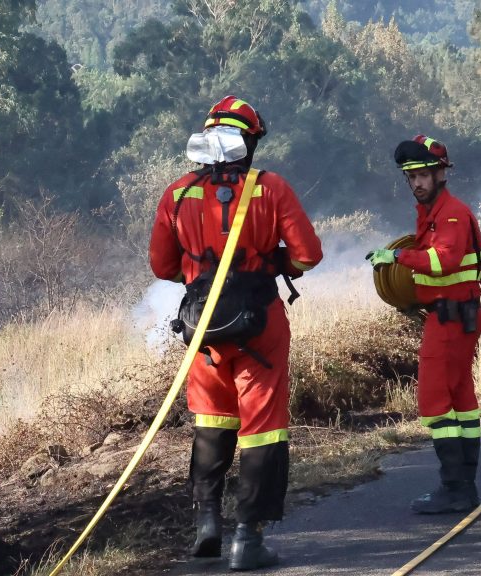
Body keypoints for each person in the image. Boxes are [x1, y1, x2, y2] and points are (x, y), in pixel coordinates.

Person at [149, 95, 322, 570]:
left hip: (202, 328)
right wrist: (270, 261)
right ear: (248, 143)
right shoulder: (270, 188)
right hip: (260, 326)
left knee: (211, 421)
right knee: (262, 429)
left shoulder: (178, 194)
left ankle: (207, 522)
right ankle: (248, 539)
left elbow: (162, 265)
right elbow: (308, 255)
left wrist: (201, 266)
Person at [366, 135, 481, 514]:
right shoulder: (433, 213)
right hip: (455, 313)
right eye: (410, 177)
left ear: (439, 174)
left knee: (435, 402)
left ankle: (454, 487)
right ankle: (464, 487)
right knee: (461, 401)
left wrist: (398, 255)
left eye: (422, 175)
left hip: (450, 319)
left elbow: (443, 261)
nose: (416, 183)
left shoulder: (450, 214)